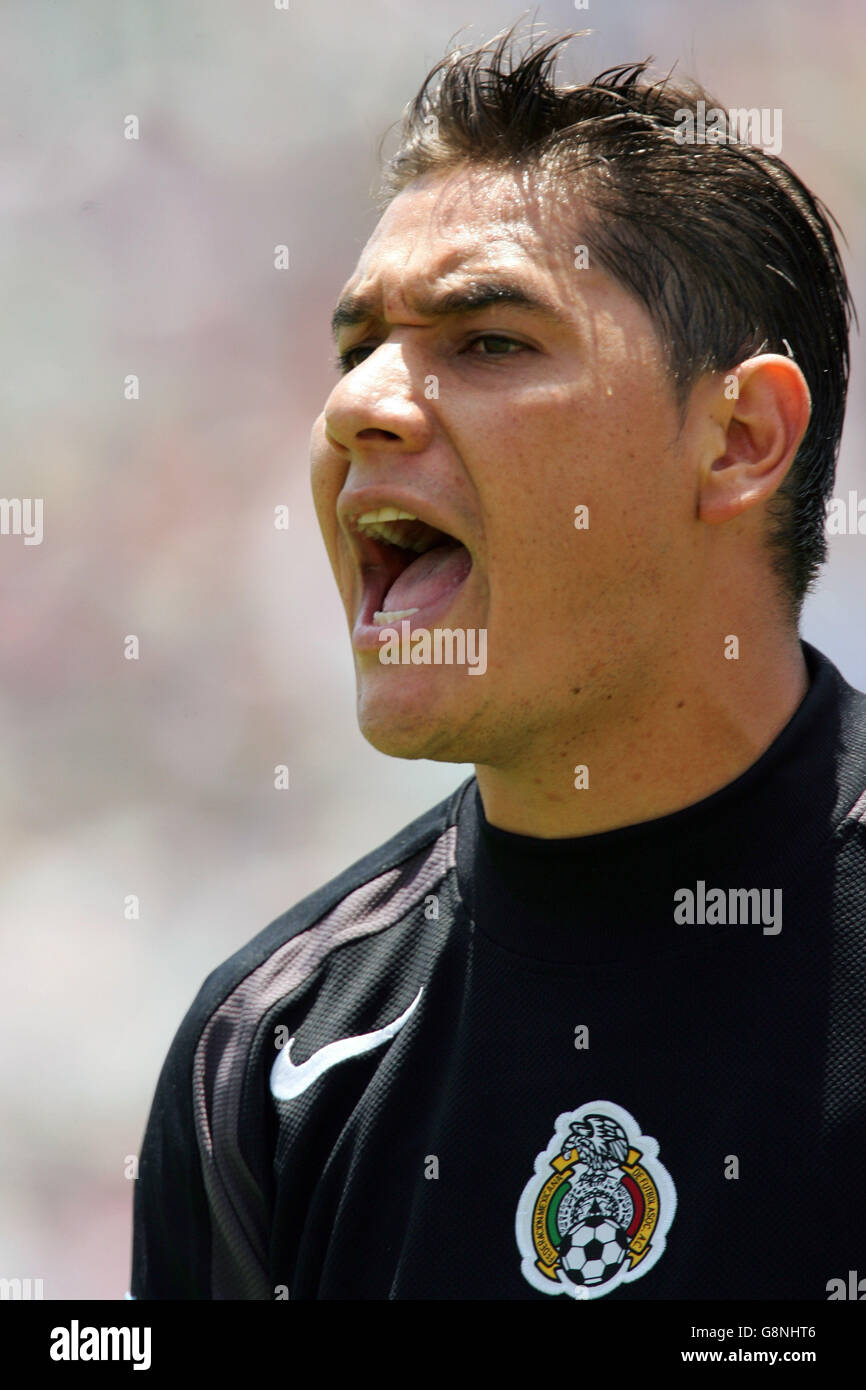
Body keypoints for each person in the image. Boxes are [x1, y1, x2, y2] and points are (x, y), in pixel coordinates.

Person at [130, 27, 865, 1301]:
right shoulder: (266, 1054)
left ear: (739, 439)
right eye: (355, 347)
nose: (361, 403)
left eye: (487, 342)